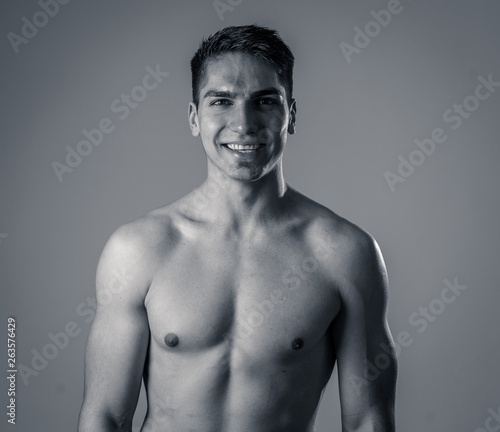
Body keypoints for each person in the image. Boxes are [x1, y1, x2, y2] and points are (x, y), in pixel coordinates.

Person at [78, 25, 397, 432]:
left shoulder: (344, 253)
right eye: (222, 102)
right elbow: (105, 414)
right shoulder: (139, 248)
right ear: (194, 118)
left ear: (291, 115)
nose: (243, 123)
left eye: (265, 101)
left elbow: (369, 418)